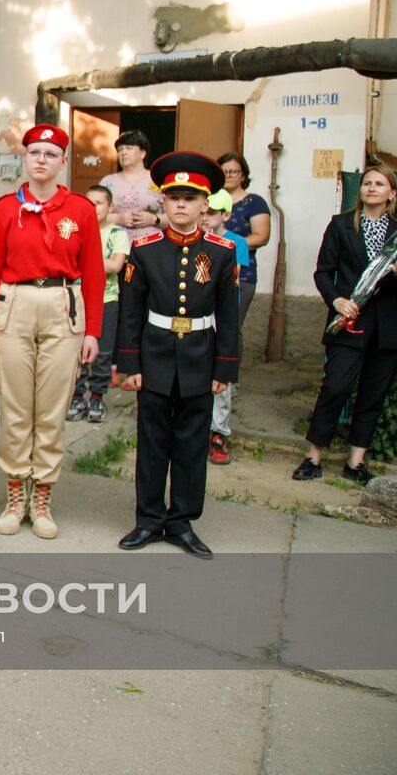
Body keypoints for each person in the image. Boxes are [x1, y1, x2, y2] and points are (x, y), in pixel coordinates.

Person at [0, 124, 103, 540]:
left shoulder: (81, 210)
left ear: (63, 162)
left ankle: (42, 496)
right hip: (14, 306)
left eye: (51, 154)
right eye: (35, 153)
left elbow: (95, 275)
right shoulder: (3, 210)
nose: (42, 160)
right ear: (25, 159)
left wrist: (92, 332)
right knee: (16, 408)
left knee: (51, 409)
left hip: (62, 307)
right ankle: (15, 494)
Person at [116, 152, 240, 560]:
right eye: (174, 197)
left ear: (206, 204)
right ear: (162, 203)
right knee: (153, 441)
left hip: (200, 358)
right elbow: (131, 311)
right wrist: (129, 364)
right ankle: (149, 518)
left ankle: (182, 521)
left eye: (191, 197)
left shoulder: (222, 252)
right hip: (154, 355)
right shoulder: (146, 250)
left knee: (190, 443)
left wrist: (225, 368)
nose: (182, 204)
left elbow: (229, 315)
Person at [293, 165, 397, 485]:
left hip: (391, 322)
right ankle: (313, 456)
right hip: (350, 318)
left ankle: (355, 462)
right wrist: (336, 300)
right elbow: (323, 272)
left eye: (380, 183)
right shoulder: (340, 225)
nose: (372, 188)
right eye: (367, 183)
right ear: (360, 190)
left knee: (373, 393)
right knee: (335, 386)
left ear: (392, 192)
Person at [66, 185, 130, 424]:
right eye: (89, 202)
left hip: (107, 300)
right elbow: (64, 261)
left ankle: (96, 397)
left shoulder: (117, 234)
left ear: (110, 207)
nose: (93, 207)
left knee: (102, 353)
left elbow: (115, 266)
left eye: (99, 202)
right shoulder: (74, 232)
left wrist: (84, 258)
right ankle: (76, 396)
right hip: (76, 301)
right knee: (75, 351)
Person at [202, 189, 250, 464]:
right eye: (204, 212)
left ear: (226, 215)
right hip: (197, 317)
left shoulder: (236, 243)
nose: (206, 217)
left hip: (221, 316)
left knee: (222, 377)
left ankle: (219, 432)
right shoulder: (194, 239)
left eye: (212, 213)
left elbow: (231, 279)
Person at [216, 152, 271, 326]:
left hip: (241, 273)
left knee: (232, 327)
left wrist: (227, 244)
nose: (228, 175)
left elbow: (261, 237)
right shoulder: (210, 200)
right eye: (224, 171)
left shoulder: (254, 202)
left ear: (243, 175)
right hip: (210, 269)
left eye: (233, 171)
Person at [103, 130, 164, 242]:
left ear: (142, 153)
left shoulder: (158, 180)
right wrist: (118, 218)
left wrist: (153, 219)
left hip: (152, 246)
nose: (123, 153)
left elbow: (174, 217)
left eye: (129, 148)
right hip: (115, 249)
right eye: (120, 149)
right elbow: (93, 216)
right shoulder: (107, 182)